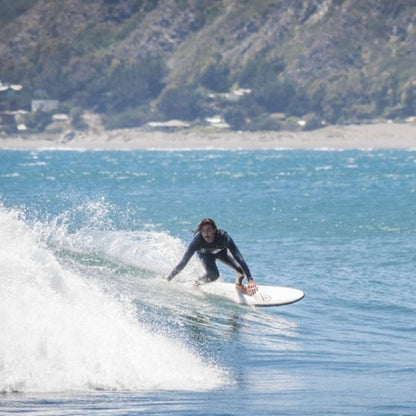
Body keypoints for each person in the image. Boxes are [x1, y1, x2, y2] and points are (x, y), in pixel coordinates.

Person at [167, 218, 257, 295]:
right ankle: (196, 283)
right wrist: (168, 279)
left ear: (214, 230)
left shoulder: (224, 237)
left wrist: (250, 279)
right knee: (214, 275)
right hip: (205, 256)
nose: (206, 233)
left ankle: (239, 285)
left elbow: (238, 256)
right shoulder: (197, 241)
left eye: (209, 230)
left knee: (241, 271)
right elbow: (183, 262)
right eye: (203, 231)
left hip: (221, 254)